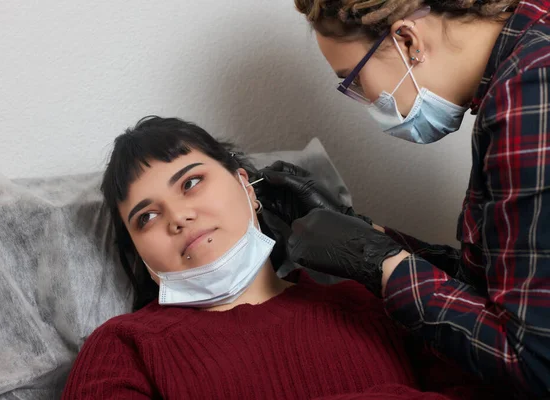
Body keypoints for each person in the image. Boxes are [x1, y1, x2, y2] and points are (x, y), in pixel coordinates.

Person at [61, 116, 493, 400]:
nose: (178, 216)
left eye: (191, 183)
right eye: (147, 216)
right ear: (138, 252)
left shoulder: (369, 303)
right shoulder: (124, 346)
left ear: (246, 187)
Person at [256, 0, 550, 397]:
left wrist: (379, 263)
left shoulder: (529, 94)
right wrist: (367, 235)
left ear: (408, 40)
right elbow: (505, 285)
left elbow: (534, 361)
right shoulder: (532, 56)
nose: (365, 101)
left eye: (355, 82)